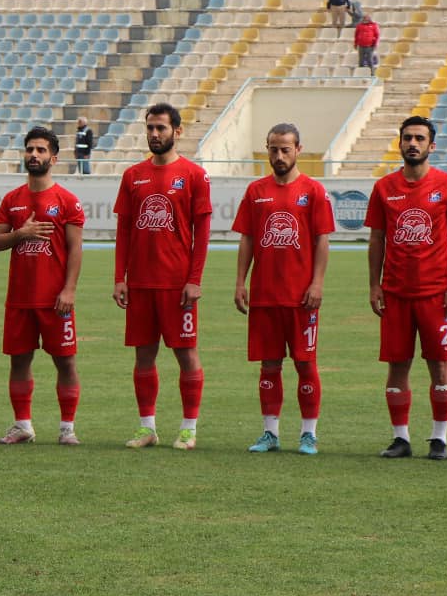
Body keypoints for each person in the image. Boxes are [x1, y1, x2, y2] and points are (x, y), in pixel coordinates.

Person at [366, 116, 447, 461]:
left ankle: (439, 438)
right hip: (395, 293)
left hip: (435, 294)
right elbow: (377, 239)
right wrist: (374, 285)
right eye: (407, 137)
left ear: (431, 146)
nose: (413, 143)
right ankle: (401, 438)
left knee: (440, 365)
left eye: (419, 138)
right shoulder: (383, 187)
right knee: (397, 365)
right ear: (400, 143)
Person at [114, 102, 212, 450]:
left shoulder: (194, 176)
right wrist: (119, 277)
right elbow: (124, 230)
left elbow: (203, 232)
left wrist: (194, 279)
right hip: (140, 283)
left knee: (186, 354)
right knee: (143, 356)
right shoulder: (132, 175)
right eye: (151, 128)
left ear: (177, 132)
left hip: (176, 285)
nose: (155, 134)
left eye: (161, 128)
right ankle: (147, 428)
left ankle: (189, 428)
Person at [232, 123, 333, 455]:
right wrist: (240, 282)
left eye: (285, 149)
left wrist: (317, 283)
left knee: (306, 364)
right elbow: (247, 238)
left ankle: (309, 434)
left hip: (301, 296)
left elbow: (321, 240)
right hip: (265, 294)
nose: (278, 155)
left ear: (298, 150)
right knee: (269, 365)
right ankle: (270, 433)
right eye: (273, 149)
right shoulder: (255, 191)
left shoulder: (313, 191)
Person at [0, 127, 86, 445]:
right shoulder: (12, 200)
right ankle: (22, 425)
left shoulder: (67, 201)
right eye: (30, 149)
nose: (34, 154)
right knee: (19, 360)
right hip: (19, 298)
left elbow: (75, 249)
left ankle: (67, 428)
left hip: (54, 299)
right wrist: (21, 233)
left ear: (53, 158)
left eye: (41, 150)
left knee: (65, 361)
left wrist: (69, 289)